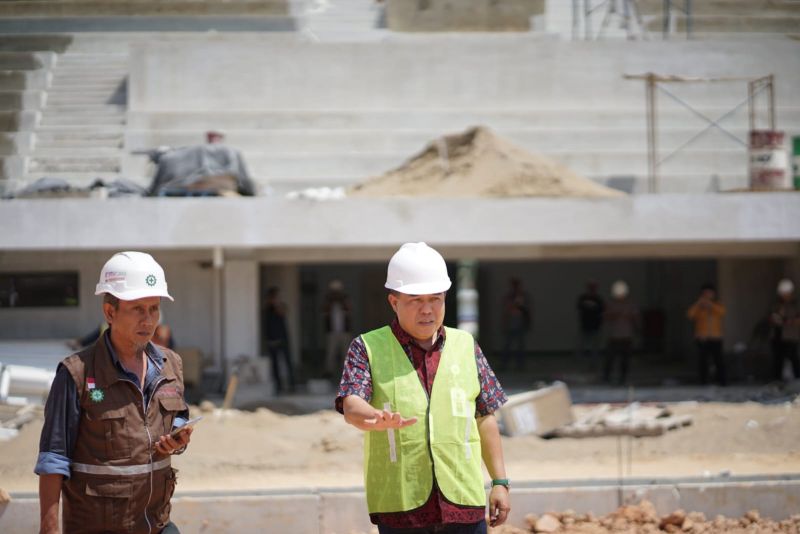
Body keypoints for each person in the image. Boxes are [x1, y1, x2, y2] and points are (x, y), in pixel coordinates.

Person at [337, 242, 510, 534]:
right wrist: (374, 417)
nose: (427, 310)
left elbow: (485, 417)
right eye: (416, 300)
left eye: (436, 299)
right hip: (402, 508)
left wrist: (500, 482)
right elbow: (351, 403)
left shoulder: (465, 346)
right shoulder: (367, 347)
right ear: (394, 302)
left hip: (462, 503)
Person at [36, 251, 192, 534]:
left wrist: (178, 438)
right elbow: (53, 458)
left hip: (156, 524)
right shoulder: (76, 374)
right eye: (138, 309)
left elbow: (179, 418)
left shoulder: (171, 365)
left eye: (154, 308)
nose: (148, 320)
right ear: (110, 312)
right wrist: (49, 530)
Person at [687, 283, 727, 386]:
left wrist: (710, 305)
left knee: (718, 360)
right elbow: (690, 315)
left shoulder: (717, 305)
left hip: (716, 337)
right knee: (703, 361)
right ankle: (703, 381)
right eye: (705, 294)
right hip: (702, 338)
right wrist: (698, 303)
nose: (707, 296)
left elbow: (722, 312)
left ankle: (722, 381)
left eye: (710, 293)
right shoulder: (699, 307)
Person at [603, 280, 639, 385]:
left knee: (625, 360)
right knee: (610, 358)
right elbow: (606, 317)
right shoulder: (611, 304)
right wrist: (615, 314)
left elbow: (635, 318)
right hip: (614, 336)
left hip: (626, 336)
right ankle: (607, 377)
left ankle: (622, 378)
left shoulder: (631, 304)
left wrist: (636, 329)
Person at [262, 286, 295, 393]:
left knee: (288, 362)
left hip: (283, 339)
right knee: (275, 365)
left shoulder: (281, 306)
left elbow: (283, 312)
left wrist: (277, 303)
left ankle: (292, 385)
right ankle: (278, 386)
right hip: (272, 340)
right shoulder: (267, 309)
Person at [769, 278, 800, 381]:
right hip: (778, 336)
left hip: (791, 336)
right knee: (778, 360)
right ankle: (777, 381)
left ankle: (797, 380)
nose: (785, 295)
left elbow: (796, 319)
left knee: (794, 359)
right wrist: (779, 319)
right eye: (783, 293)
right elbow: (773, 318)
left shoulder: (795, 305)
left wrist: (788, 321)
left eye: (787, 293)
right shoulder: (777, 305)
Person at [323, 279, 352, 379]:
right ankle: (329, 373)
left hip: (344, 331)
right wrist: (331, 300)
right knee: (331, 353)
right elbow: (324, 310)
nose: (336, 294)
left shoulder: (344, 299)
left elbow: (349, 308)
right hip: (332, 331)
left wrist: (341, 300)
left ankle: (347, 373)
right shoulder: (328, 300)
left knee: (346, 353)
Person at [502, 277, 531, 370]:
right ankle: (504, 364)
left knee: (520, 345)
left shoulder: (523, 296)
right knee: (508, 345)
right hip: (511, 322)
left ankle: (520, 365)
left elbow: (526, 310)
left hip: (520, 322)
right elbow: (506, 310)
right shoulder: (509, 296)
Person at [576, 281, 605, 364]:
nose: (592, 289)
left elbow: (602, 310)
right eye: (590, 287)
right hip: (585, 324)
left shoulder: (599, 299)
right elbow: (579, 308)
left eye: (593, 287)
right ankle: (579, 360)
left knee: (595, 345)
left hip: (596, 325)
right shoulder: (582, 298)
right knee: (581, 343)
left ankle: (594, 360)